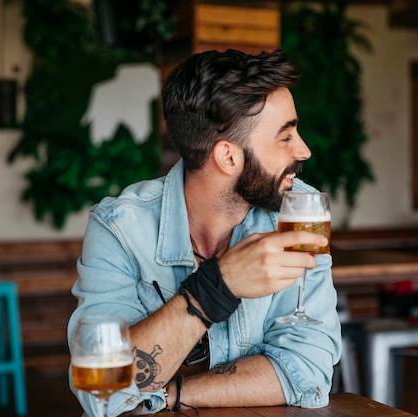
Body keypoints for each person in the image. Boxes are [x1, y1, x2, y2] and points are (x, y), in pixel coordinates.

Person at [68, 48, 342, 417]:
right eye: (285, 137)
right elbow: (99, 388)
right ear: (228, 157)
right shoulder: (120, 229)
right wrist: (217, 288)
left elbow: (309, 371)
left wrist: (170, 393)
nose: (304, 150)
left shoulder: (297, 212)